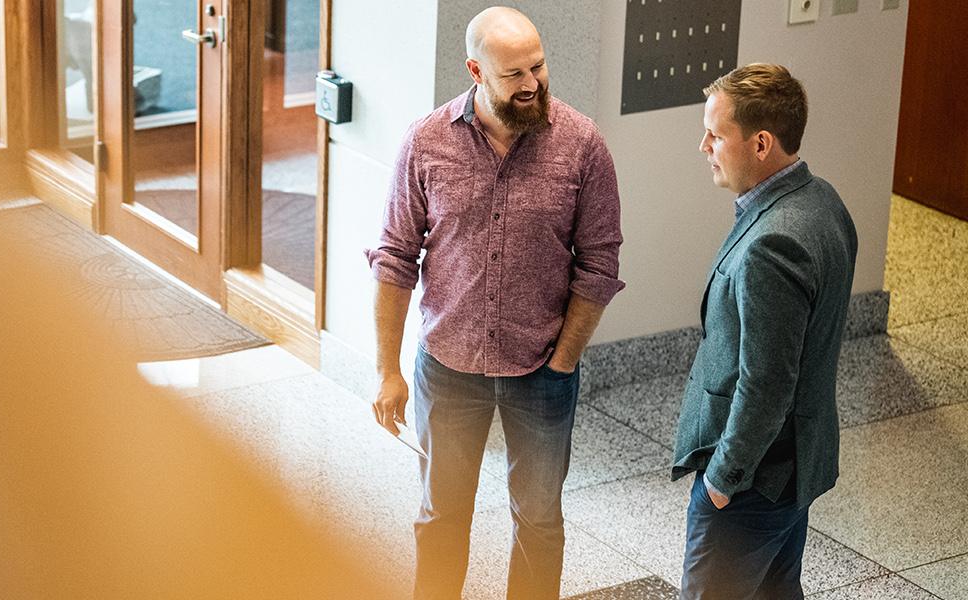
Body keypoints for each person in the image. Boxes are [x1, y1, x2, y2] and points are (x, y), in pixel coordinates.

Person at [366, 7, 625, 599]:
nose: (532, 82)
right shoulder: (426, 142)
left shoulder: (582, 145)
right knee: (441, 518)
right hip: (448, 369)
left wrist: (563, 361)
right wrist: (387, 371)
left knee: (539, 522)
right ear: (475, 71)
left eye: (538, 66)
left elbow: (599, 264)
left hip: (542, 371)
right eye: (513, 74)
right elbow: (394, 258)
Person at [673, 63, 857, 600]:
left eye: (715, 133)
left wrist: (723, 482)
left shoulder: (771, 245)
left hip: (754, 476)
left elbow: (767, 383)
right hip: (792, 469)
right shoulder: (822, 200)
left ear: (760, 143)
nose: (703, 144)